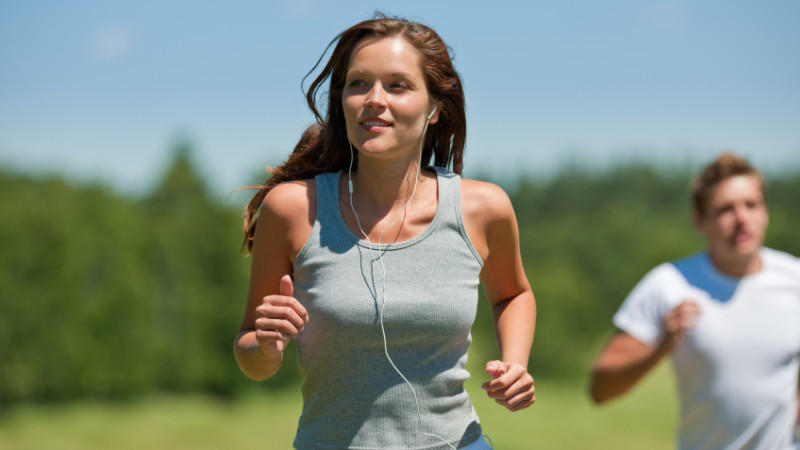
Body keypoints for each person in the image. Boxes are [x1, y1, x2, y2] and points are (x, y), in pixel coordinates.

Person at [233, 15, 536, 450]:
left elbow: (513, 294)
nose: (374, 99)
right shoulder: (293, 209)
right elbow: (252, 358)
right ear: (342, 102)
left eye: (398, 85)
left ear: (434, 107)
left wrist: (516, 364)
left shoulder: (482, 209)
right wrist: (265, 345)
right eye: (359, 84)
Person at [589, 152, 800, 449]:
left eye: (751, 205)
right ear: (699, 220)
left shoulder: (794, 279)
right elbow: (600, 388)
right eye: (725, 209)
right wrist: (661, 347)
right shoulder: (669, 284)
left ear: (765, 211)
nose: (742, 219)